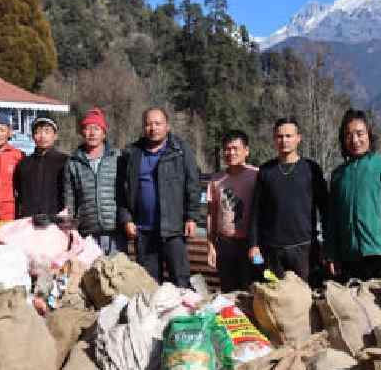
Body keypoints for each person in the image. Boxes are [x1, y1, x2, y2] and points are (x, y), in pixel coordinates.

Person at [118, 107, 200, 287]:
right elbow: (122, 190)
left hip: (173, 229)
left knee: (180, 282)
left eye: (158, 123)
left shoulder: (180, 150)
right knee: (149, 284)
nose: (153, 128)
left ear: (167, 126)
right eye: (148, 124)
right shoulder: (132, 153)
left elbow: (193, 185)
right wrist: (127, 219)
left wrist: (192, 217)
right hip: (143, 231)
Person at [325, 109, 381, 281]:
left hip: (378, 256)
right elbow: (332, 220)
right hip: (347, 258)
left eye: (359, 133)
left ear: (369, 134)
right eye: (348, 135)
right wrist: (332, 254)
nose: (355, 140)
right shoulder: (339, 175)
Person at [248, 117, 329, 283]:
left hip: (304, 248)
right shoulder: (266, 170)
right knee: (274, 294)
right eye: (279, 136)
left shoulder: (311, 168)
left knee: (305, 295)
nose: (284, 140)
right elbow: (256, 211)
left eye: (288, 136)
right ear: (274, 139)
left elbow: (325, 209)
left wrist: (328, 244)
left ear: (298, 138)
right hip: (272, 250)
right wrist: (253, 244)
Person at [63, 108, 124, 255]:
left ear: (104, 133)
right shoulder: (73, 162)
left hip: (115, 230)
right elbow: (69, 199)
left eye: (96, 129)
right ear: (82, 132)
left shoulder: (117, 157)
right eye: (87, 128)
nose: (92, 133)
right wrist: (70, 227)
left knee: (116, 268)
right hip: (87, 230)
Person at [207, 130, 258, 292]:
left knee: (251, 290)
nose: (231, 153)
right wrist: (211, 245)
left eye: (235, 148)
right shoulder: (216, 180)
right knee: (227, 290)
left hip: (251, 245)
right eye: (227, 149)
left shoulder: (256, 176)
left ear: (246, 151)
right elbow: (212, 214)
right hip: (225, 244)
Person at [13, 116, 67, 220]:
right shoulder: (24, 164)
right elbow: (19, 192)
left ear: (55, 136)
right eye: (38, 132)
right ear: (33, 136)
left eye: (47, 132)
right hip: (29, 220)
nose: (42, 136)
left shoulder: (65, 162)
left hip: (56, 220)